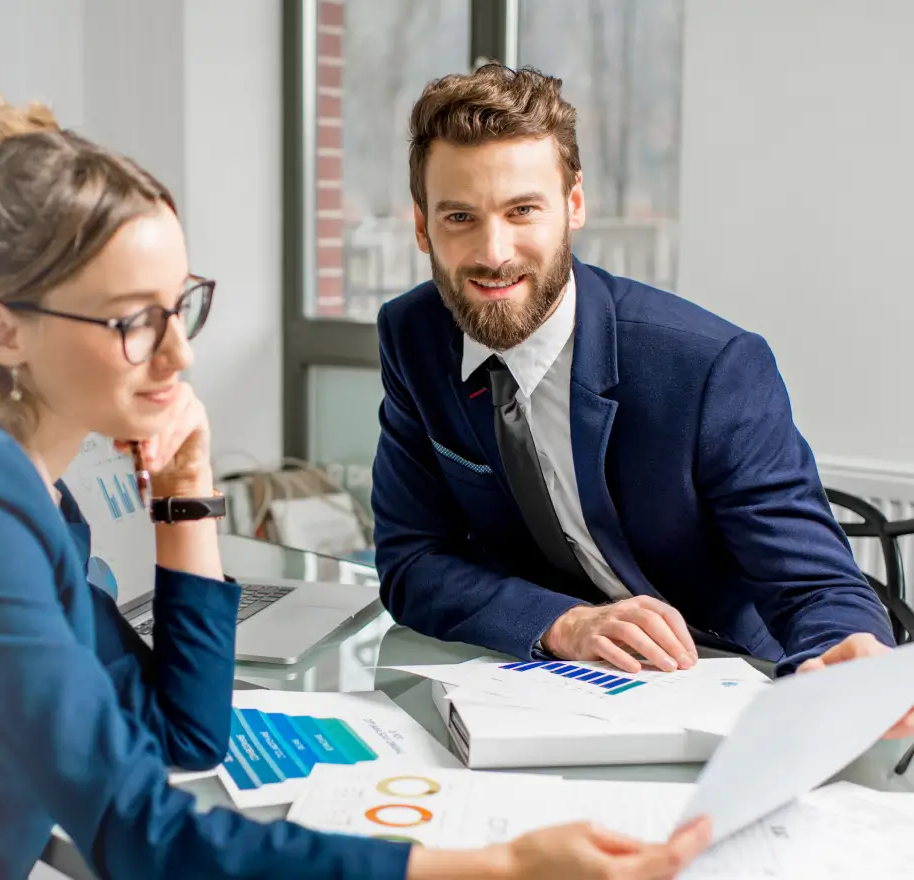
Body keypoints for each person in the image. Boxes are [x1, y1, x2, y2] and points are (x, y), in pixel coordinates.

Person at [0, 86, 711, 880]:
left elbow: (178, 732)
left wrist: (186, 497)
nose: (179, 355)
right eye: (132, 320)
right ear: (4, 330)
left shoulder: (24, 494)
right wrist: (492, 867)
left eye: (179, 305)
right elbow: (140, 833)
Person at [371, 62, 914, 736]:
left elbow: (816, 588)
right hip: (537, 687)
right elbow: (411, 562)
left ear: (573, 205)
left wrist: (843, 652)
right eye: (460, 217)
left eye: (522, 211)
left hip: (721, 678)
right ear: (422, 226)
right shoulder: (414, 335)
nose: (494, 252)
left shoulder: (708, 366)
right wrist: (563, 624)